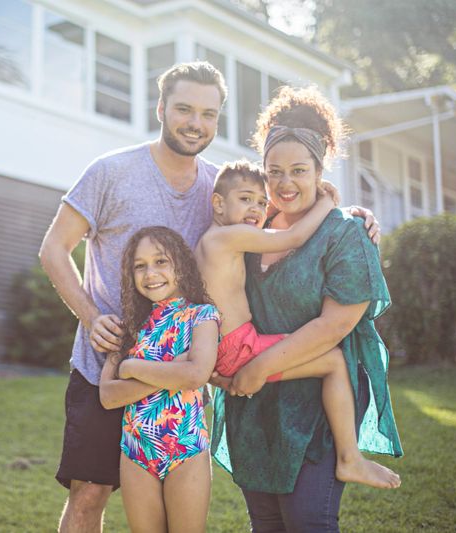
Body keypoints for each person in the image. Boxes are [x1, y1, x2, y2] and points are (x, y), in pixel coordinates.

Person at [39, 60, 380, 533]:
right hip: (109, 360)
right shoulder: (110, 172)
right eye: (183, 109)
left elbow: (282, 211)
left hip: (186, 373)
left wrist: (351, 213)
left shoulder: (223, 187)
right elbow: (53, 250)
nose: (195, 123)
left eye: (208, 113)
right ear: (160, 108)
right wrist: (93, 317)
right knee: (89, 493)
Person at [210, 86, 403, 532]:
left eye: (299, 170)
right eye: (273, 171)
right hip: (254, 405)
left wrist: (258, 367)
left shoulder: (346, 235)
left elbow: (335, 325)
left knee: (305, 521)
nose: (284, 183)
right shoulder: (250, 228)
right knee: (266, 522)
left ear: (320, 169)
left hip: (314, 405)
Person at [196, 160, 401, 491]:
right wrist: (327, 203)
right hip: (238, 348)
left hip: (224, 347)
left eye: (262, 202)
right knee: (334, 361)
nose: (257, 208)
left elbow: (282, 220)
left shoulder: (209, 240)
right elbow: (294, 235)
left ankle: (349, 457)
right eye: (246, 199)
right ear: (218, 203)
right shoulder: (228, 238)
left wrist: (348, 211)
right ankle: (350, 458)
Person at [99, 226, 219, 533]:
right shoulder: (129, 328)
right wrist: (171, 372)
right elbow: (109, 396)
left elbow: (195, 375)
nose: (150, 273)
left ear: (181, 263)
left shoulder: (202, 316)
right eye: (140, 266)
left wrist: (132, 367)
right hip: (136, 452)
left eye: (161, 261)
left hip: (186, 448)